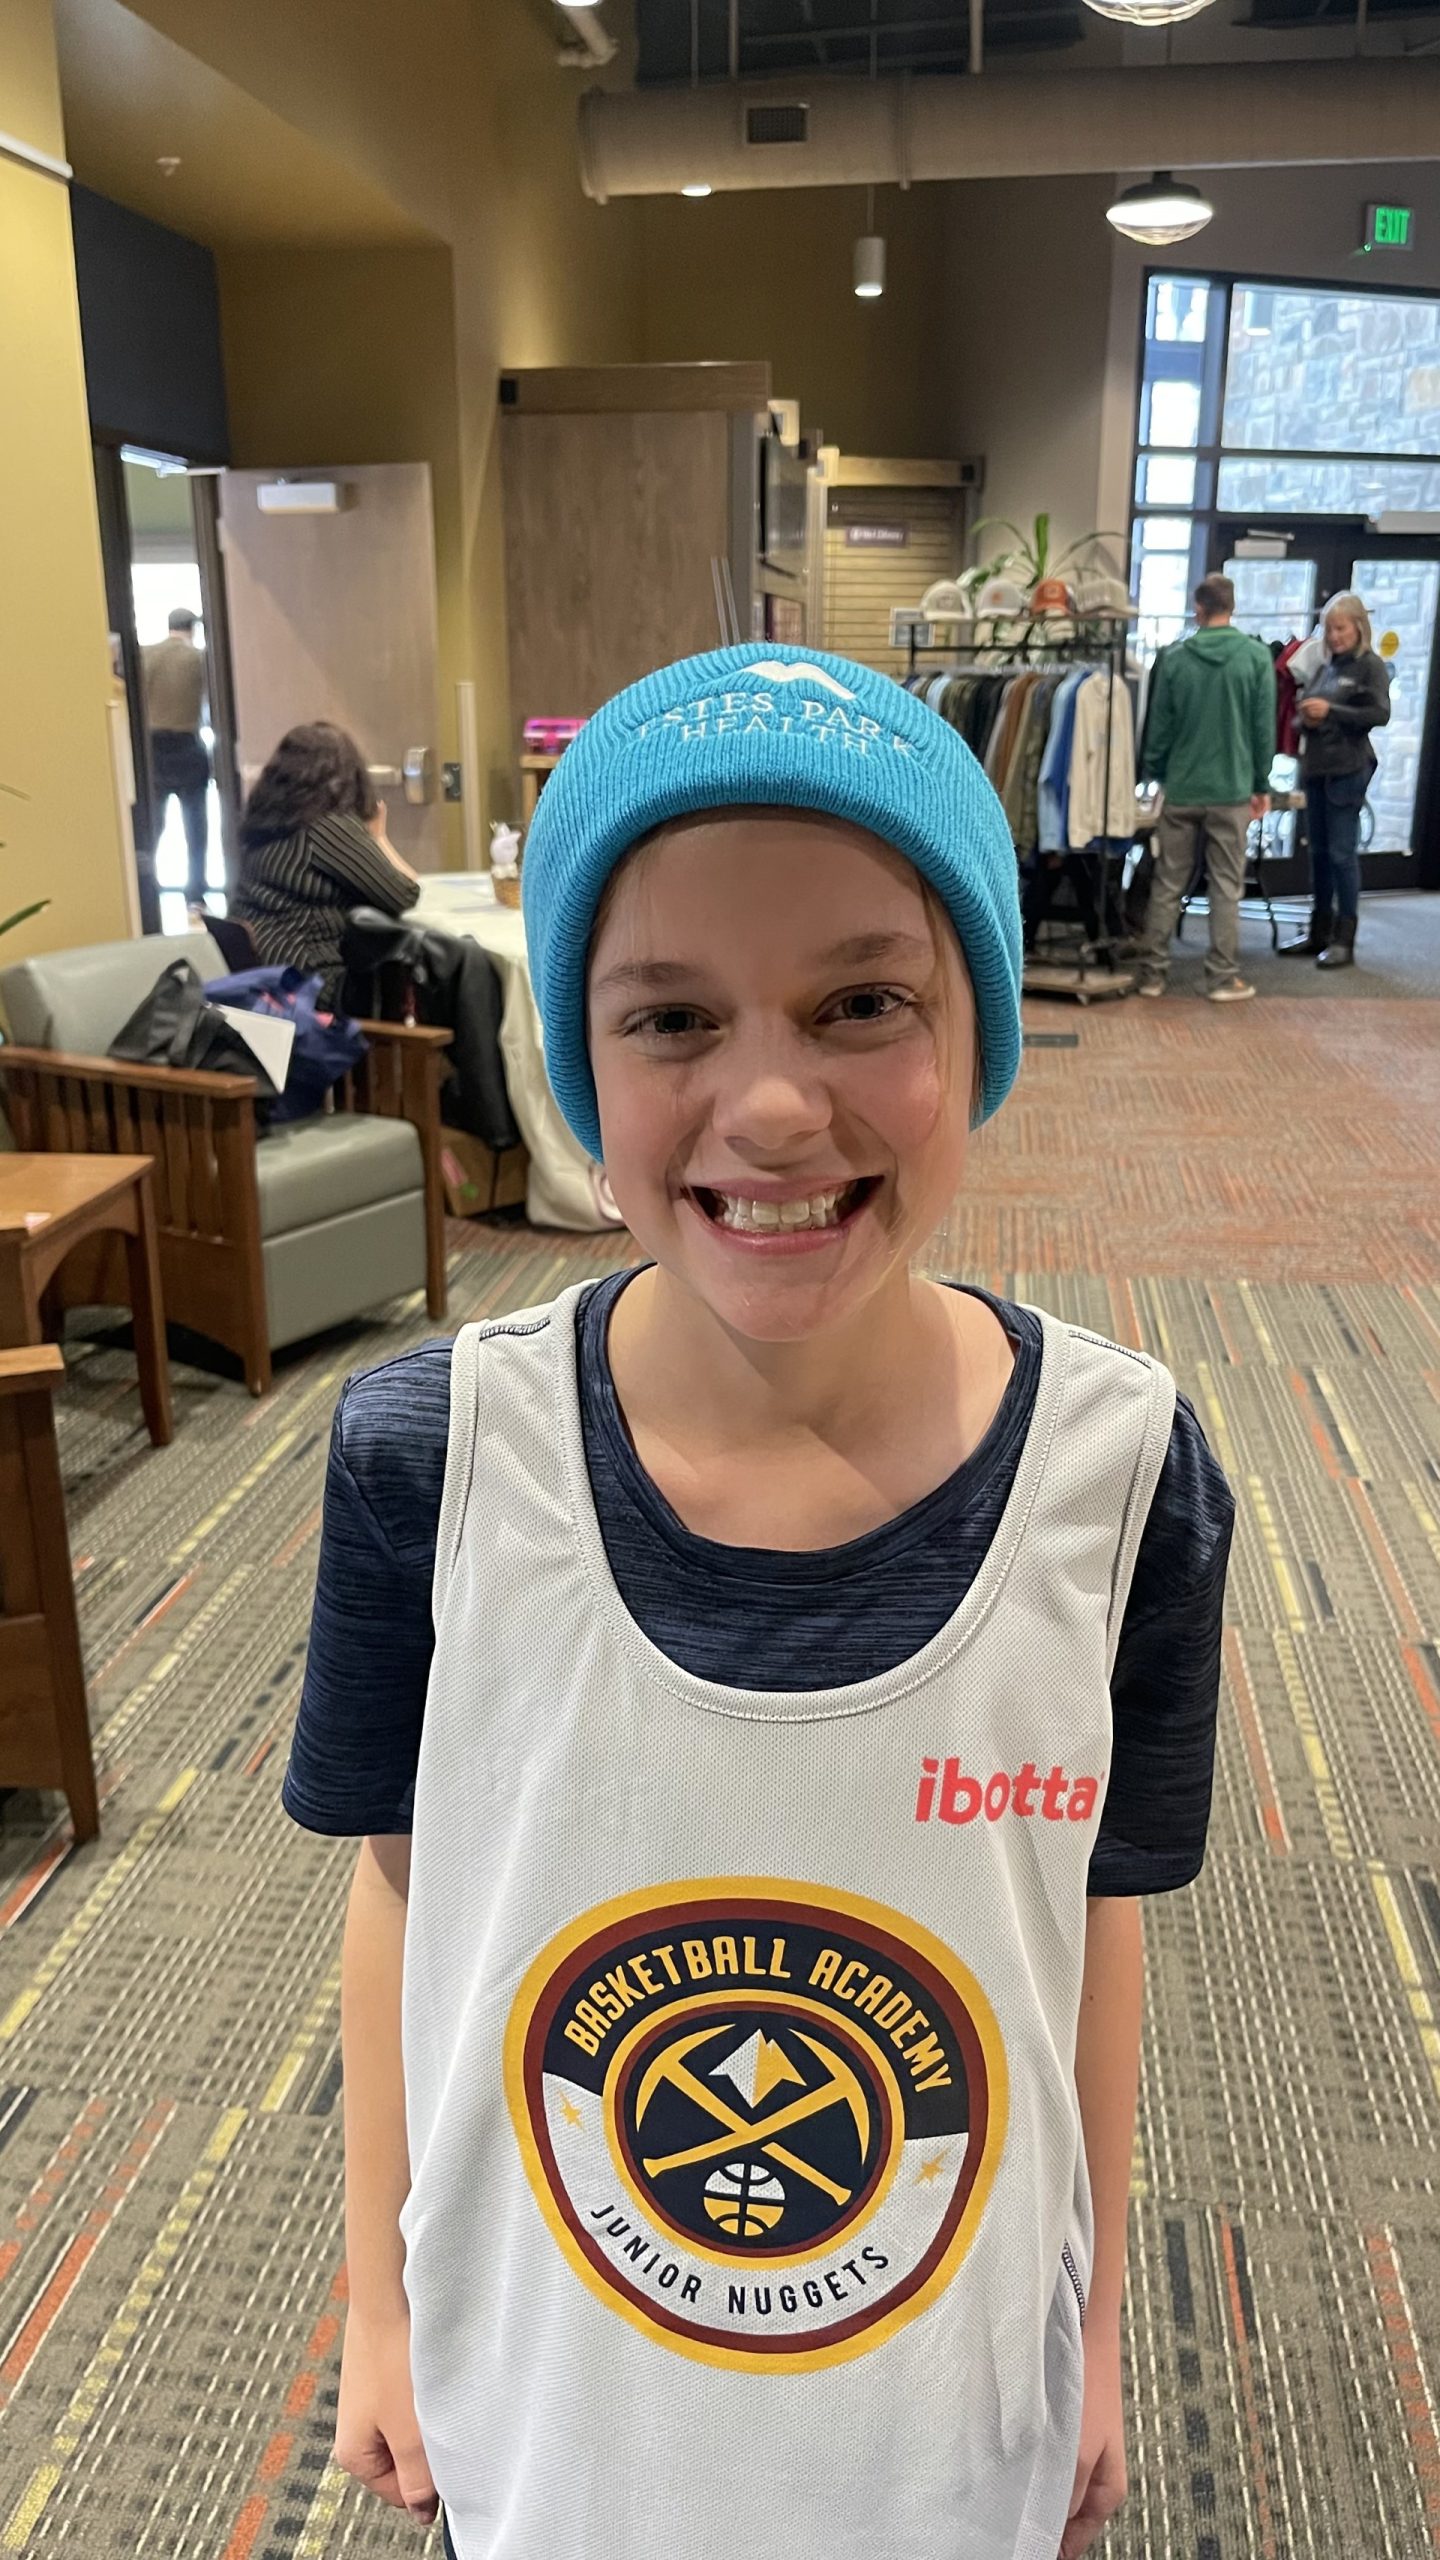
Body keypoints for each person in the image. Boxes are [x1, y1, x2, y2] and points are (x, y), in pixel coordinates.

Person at [284, 644, 1231, 2560]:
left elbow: (1083, 1943)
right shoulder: (431, 1463)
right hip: (556, 2399)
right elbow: (405, 1894)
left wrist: (1095, 2320)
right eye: (672, 1021)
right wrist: (383, 2305)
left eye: (863, 999)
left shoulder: (1123, 1483)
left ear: (979, 1029)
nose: (775, 1106)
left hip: (937, 2412)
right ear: (576, 1056)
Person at [1136, 573, 1276, 1004]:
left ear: (1199, 608)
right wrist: (1261, 783)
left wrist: (1155, 772)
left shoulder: (1176, 659)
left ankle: (1152, 975)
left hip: (1182, 788)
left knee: (1167, 882)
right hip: (1232, 790)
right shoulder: (1255, 658)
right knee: (1226, 885)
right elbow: (1261, 730)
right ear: (1231, 607)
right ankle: (1220, 977)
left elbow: (1159, 727)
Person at [231, 721, 419, 1003]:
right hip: (316, 984)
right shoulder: (324, 827)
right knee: (432, 977)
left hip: (267, 978)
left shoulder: (264, 822)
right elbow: (404, 893)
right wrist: (379, 837)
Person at [1283, 592, 1391, 971]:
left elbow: (1379, 713)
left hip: (1348, 770)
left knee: (1342, 855)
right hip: (1316, 768)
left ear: (1358, 627)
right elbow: (1300, 720)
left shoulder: (1369, 666)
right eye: (1329, 629)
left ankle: (1345, 940)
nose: (1333, 635)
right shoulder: (1325, 668)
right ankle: (1319, 932)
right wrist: (1308, 719)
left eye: (1340, 628)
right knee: (1318, 855)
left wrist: (1332, 710)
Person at [142, 606, 212, 908]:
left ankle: (146, 889)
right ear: (192, 628)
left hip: (151, 749)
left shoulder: (145, 655)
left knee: (152, 827)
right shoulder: (198, 659)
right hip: (187, 745)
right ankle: (195, 895)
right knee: (195, 828)